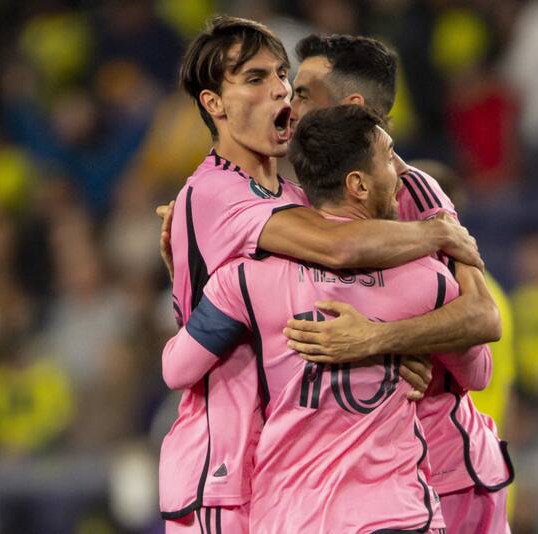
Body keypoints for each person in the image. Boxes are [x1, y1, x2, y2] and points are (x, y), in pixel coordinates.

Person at [157, 17, 500, 532]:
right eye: (256, 79)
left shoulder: (306, 198)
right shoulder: (212, 192)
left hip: (301, 474)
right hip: (222, 469)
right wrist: (439, 234)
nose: (282, 94)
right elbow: (337, 246)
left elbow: (475, 324)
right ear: (214, 104)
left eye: (283, 76)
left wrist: (390, 346)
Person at [284, 34, 513, 533]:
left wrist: (378, 339)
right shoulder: (286, 197)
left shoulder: (413, 191)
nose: (288, 104)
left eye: (303, 94)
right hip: (354, 478)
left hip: (444, 466)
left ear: (351, 108)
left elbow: (481, 321)